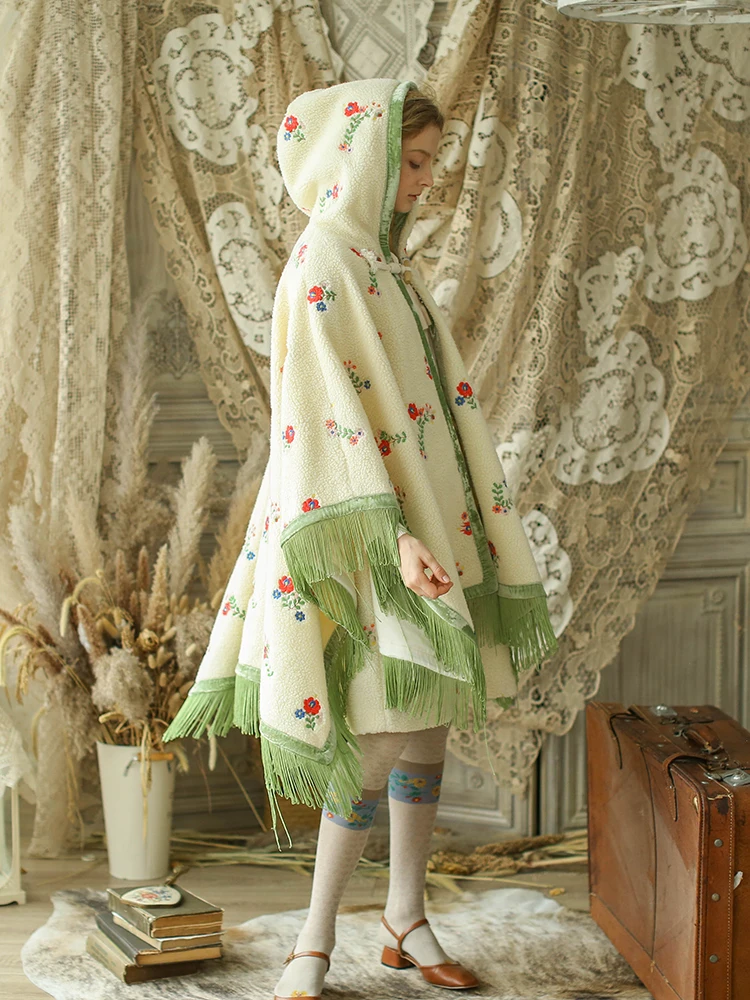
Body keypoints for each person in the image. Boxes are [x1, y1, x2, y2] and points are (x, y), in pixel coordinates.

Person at [163, 77, 557, 1000]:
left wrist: (441, 525)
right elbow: (320, 416)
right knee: (375, 736)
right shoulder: (323, 264)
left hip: (427, 523)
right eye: (413, 161)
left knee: (426, 725)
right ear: (362, 157)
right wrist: (393, 536)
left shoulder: (386, 263)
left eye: (430, 162)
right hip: (359, 529)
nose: (425, 180)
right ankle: (313, 942)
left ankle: (404, 919)